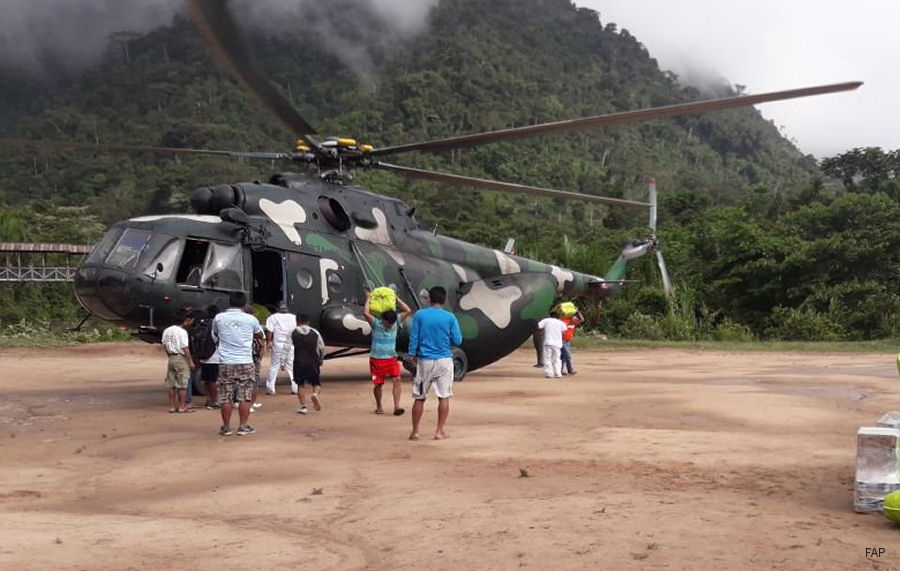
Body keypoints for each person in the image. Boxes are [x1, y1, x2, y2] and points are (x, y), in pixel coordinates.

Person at [407, 286, 462, 441]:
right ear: (444, 300)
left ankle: (415, 432)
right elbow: (458, 340)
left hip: (425, 360)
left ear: (429, 299)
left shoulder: (420, 315)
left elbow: (414, 336)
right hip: (444, 360)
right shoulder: (450, 317)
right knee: (444, 397)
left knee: (419, 397)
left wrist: (412, 353)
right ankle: (439, 431)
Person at [212, 292, 265, 436]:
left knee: (226, 396)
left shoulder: (219, 318)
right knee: (245, 395)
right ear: (244, 304)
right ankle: (243, 426)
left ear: (229, 302)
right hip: (245, 361)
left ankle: (226, 427)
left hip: (225, 362)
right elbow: (261, 335)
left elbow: (215, 334)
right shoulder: (251, 319)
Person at [363, 291, 412, 416]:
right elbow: (365, 313)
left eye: (391, 323)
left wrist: (396, 299)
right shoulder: (375, 323)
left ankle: (397, 406)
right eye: (387, 323)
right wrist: (368, 298)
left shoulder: (395, 322)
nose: (390, 325)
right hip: (376, 360)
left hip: (391, 358)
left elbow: (407, 310)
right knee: (378, 384)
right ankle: (379, 406)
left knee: (397, 380)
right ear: (383, 319)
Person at [161, 309, 196, 413]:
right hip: (181, 357)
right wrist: (190, 361)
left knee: (171, 384)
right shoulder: (182, 332)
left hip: (171, 357)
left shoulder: (167, 330)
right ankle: (182, 406)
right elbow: (185, 348)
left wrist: (169, 356)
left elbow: (165, 345)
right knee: (183, 383)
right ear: (185, 320)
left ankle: (172, 406)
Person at [292, 313, 325, 414]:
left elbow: (286, 346)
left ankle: (303, 407)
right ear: (308, 322)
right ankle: (315, 394)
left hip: (298, 361)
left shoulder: (293, 332)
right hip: (313, 361)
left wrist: (283, 361)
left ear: (297, 321)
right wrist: (321, 357)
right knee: (316, 383)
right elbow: (321, 347)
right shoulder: (315, 332)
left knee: (300, 385)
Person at [265, 300, 297, 395]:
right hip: (290, 344)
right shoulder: (294, 317)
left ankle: (271, 389)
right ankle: (295, 388)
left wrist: (269, 342)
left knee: (274, 366)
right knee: (291, 367)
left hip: (278, 345)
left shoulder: (273, 317)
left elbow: (269, 331)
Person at [199, 305, 221, 409]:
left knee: (206, 380)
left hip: (203, 356)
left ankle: (208, 400)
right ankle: (214, 401)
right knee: (213, 381)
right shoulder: (215, 325)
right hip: (214, 356)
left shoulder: (202, 323)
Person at [538, 311, 567, 379]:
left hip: (548, 342)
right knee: (557, 359)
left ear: (550, 316)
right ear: (558, 317)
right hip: (557, 343)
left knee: (547, 358)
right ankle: (558, 373)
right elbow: (564, 332)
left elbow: (539, 327)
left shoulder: (546, 320)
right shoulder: (561, 323)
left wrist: (543, 331)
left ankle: (550, 374)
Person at [560, 309, 585, 375]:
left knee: (563, 356)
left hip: (568, 341)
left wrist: (578, 312)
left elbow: (582, 320)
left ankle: (560, 370)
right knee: (567, 355)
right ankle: (570, 369)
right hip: (562, 341)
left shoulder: (573, 321)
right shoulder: (563, 320)